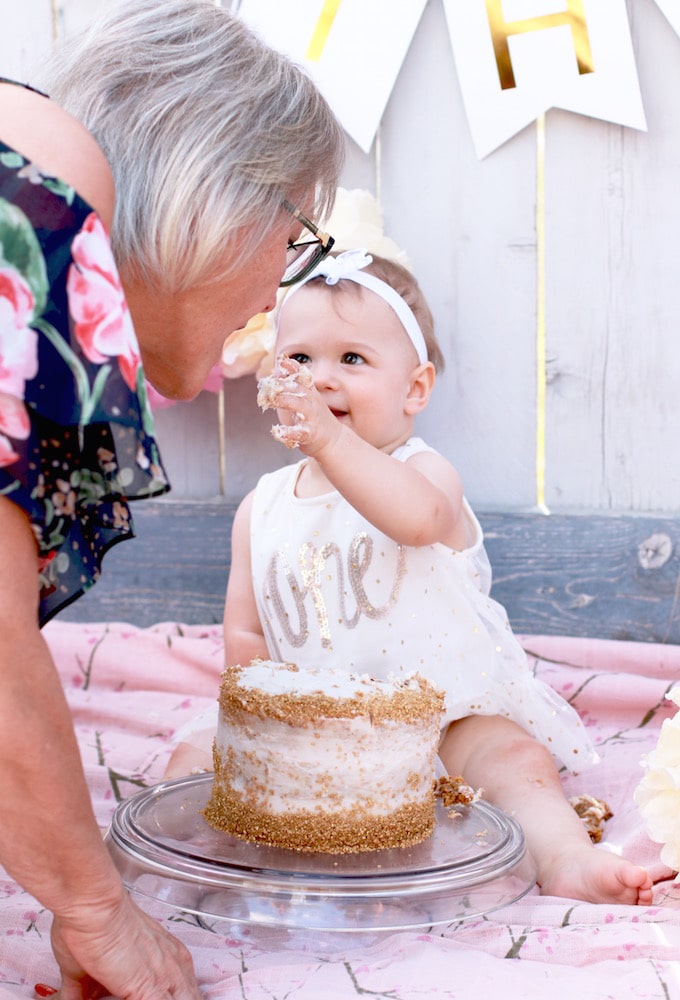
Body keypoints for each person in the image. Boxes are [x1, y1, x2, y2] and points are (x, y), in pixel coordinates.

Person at [0, 0, 344, 995]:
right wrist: (97, 907)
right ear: (228, 194)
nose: (283, 289)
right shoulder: (36, 194)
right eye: (297, 237)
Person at [167, 248, 653, 908]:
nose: (321, 379)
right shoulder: (264, 508)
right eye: (301, 359)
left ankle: (566, 856)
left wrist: (332, 444)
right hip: (319, 735)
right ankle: (207, 868)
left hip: (445, 716)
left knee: (513, 762)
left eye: (352, 360)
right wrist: (265, 732)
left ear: (415, 390)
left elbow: (419, 520)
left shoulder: (427, 474)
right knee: (195, 761)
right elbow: (246, 632)